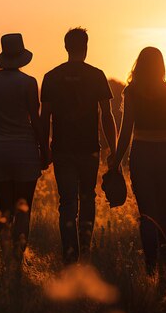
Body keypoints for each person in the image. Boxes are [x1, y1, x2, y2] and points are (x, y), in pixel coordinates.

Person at [40, 27, 117, 264]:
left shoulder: (51, 76)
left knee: (67, 202)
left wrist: (45, 149)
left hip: (62, 149)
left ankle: (70, 256)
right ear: (86, 46)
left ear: (65, 47)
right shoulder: (96, 75)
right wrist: (114, 150)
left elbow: (45, 117)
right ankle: (85, 250)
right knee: (87, 198)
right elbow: (107, 114)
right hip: (89, 149)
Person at [111, 47, 166, 276]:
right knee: (165, 213)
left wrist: (116, 162)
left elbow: (125, 132)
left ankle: (150, 268)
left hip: (141, 154)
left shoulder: (131, 91)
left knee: (147, 214)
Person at [0, 33, 42, 267]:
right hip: (25, 150)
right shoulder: (28, 82)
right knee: (23, 208)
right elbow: (35, 121)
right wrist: (44, 149)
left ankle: (6, 258)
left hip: (0, 150)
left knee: (3, 210)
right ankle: (18, 257)